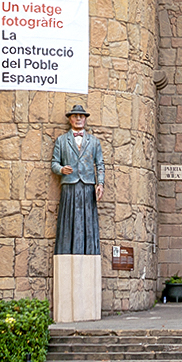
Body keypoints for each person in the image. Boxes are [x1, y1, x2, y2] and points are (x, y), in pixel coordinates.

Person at [51, 103, 104, 255]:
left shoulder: (94, 141)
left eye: (81, 116)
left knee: (88, 222)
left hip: (88, 186)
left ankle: (89, 253)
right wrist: (61, 169)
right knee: (68, 221)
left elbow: (100, 164)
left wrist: (100, 183)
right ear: (70, 119)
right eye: (75, 116)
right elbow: (54, 163)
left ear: (85, 119)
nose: (79, 119)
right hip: (69, 185)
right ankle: (66, 253)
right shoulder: (62, 140)